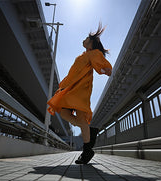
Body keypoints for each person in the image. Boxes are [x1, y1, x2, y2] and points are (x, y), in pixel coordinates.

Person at [47, 24, 112, 164]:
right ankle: (89, 132)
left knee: (80, 118)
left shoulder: (93, 53)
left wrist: (106, 70)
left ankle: (87, 151)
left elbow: (101, 64)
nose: (84, 39)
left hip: (81, 91)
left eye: (86, 38)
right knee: (64, 113)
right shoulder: (84, 55)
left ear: (91, 43)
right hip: (71, 90)